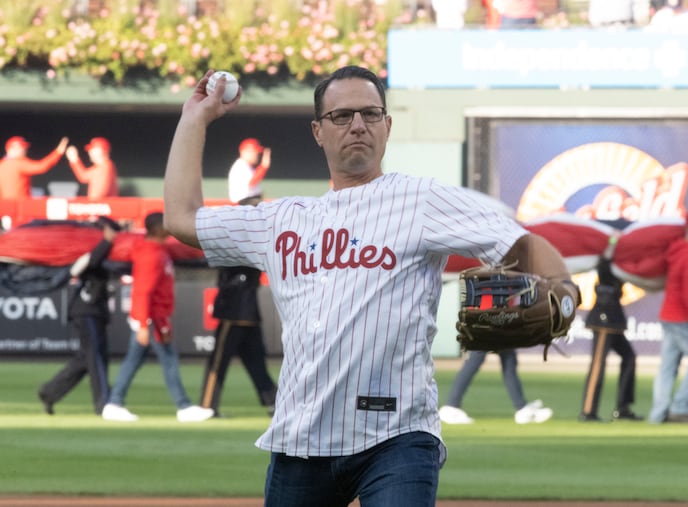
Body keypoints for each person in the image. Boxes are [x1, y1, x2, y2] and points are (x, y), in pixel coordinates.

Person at [162, 65, 578, 506]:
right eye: (342, 116)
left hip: (397, 436)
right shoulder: (281, 220)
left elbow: (517, 240)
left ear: (387, 125)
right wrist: (195, 118)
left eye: (370, 113)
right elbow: (181, 218)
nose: (358, 124)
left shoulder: (421, 200)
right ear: (318, 132)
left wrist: (564, 291)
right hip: (301, 438)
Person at [102, 212, 214, 423]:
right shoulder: (150, 255)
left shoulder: (158, 249)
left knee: (134, 361)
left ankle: (114, 403)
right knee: (168, 360)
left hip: (154, 318)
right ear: (159, 229)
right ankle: (183, 406)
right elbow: (143, 291)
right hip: (152, 319)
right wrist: (144, 324)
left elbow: (184, 250)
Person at [199, 197, 278, 417]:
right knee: (252, 359)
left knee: (227, 359)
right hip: (242, 307)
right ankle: (273, 401)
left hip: (236, 307)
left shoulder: (246, 237)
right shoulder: (251, 236)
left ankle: (208, 405)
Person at [37, 217, 119, 416]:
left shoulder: (100, 249)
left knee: (85, 359)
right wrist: (107, 241)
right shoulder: (88, 247)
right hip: (86, 310)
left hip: (93, 310)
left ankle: (50, 392)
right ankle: (103, 403)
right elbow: (88, 263)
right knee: (96, 357)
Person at [648, 208, 688, 424]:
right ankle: (681, 407)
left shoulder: (677, 250)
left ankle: (658, 414)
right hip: (682, 318)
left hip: (668, 314)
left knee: (668, 366)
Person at [579, 235, 642, 422]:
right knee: (598, 364)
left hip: (614, 320)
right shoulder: (606, 263)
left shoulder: (622, 266)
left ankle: (622, 407)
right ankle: (588, 411)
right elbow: (604, 263)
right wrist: (613, 243)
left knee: (629, 357)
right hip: (603, 319)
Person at [439, 349, 553, 425]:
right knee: (477, 357)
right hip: (488, 317)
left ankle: (522, 408)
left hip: (492, 317)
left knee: (508, 355)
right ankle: (451, 406)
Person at [0, 135, 68, 199]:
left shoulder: (2, 164)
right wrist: (58, 152)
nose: (25, 150)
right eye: (22, 148)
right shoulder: (18, 163)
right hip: (20, 206)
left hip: (3, 206)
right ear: (12, 149)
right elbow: (42, 167)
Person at [227, 137, 271, 203]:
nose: (257, 155)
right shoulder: (241, 165)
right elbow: (252, 182)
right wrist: (263, 167)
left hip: (248, 202)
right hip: (243, 203)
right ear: (245, 152)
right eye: (255, 152)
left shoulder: (247, 166)